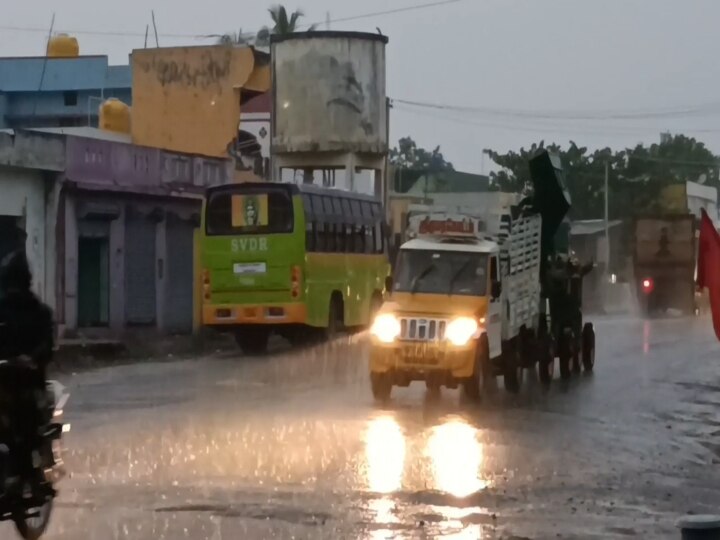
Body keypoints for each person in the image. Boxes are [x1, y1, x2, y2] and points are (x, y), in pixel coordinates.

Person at [0, 248, 54, 489]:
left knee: (24, 423)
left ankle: (27, 472)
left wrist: (31, 359)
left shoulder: (40, 313)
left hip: (28, 383)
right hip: (3, 381)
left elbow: (47, 346)